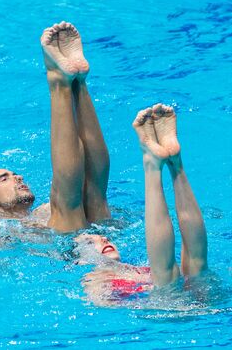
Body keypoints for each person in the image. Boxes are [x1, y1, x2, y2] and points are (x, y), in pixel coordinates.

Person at [0, 21, 110, 233]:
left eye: (13, 174)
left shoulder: (43, 212)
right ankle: (58, 81)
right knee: (67, 201)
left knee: (94, 195)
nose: (17, 177)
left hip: (99, 238)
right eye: (3, 179)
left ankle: (78, 82)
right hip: (69, 255)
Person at [74, 105, 208, 304]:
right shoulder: (93, 278)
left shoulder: (138, 269)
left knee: (196, 266)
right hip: (173, 307)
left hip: (194, 303)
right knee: (167, 276)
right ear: (79, 261)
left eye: (101, 236)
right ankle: (167, 163)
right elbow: (104, 305)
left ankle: (170, 162)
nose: (102, 239)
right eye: (88, 242)